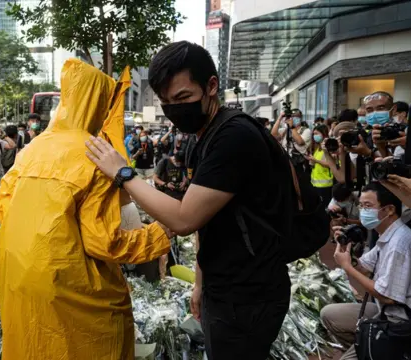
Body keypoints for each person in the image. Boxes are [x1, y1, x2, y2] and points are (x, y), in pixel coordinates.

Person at [86, 41, 294, 359]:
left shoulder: (233, 137)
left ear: (211, 85)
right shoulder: (204, 137)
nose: (176, 110)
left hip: (249, 295)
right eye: (167, 102)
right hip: (222, 287)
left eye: (183, 98)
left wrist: (124, 174)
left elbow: (186, 219)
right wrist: (200, 283)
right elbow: (207, 225)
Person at [0, 59, 171, 360]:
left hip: (18, 276)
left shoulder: (33, 148)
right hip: (71, 286)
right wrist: (159, 234)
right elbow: (104, 242)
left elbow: (4, 207)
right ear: (100, 105)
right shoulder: (97, 154)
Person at [321, 182, 411, 360]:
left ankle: (389, 352)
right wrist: (346, 251)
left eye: (368, 206)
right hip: (385, 313)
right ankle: (372, 350)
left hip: (407, 322)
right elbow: (365, 269)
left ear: (389, 209)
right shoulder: (386, 235)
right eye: (360, 205)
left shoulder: (400, 243)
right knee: (329, 314)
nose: (362, 211)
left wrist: (347, 267)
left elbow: (387, 297)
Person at [306, 124, 333, 208]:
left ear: (324, 133)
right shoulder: (318, 148)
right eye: (314, 134)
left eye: (317, 133)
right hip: (315, 183)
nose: (315, 136)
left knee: (325, 208)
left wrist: (315, 160)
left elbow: (330, 164)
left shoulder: (329, 147)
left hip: (325, 185)